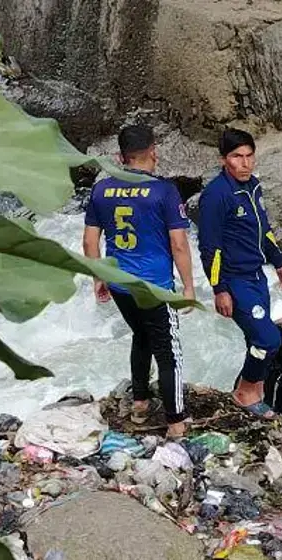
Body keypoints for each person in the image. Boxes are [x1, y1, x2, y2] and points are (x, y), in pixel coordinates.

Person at [83, 124, 196, 438]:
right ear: (154, 151)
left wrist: (99, 277)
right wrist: (187, 287)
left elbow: (90, 242)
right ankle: (176, 422)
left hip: (120, 283)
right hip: (155, 286)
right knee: (168, 351)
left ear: (120, 156)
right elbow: (179, 244)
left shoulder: (101, 190)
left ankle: (141, 402)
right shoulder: (164, 190)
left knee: (140, 335)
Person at [197, 127, 282, 420]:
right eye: (237, 157)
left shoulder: (252, 186)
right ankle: (245, 394)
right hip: (235, 280)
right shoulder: (216, 196)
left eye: (249, 156)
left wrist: (279, 262)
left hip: (256, 275)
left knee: (256, 339)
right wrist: (219, 289)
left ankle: (253, 388)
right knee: (268, 340)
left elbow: (265, 228)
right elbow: (209, 248)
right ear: (224, 159)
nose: (245, 163)